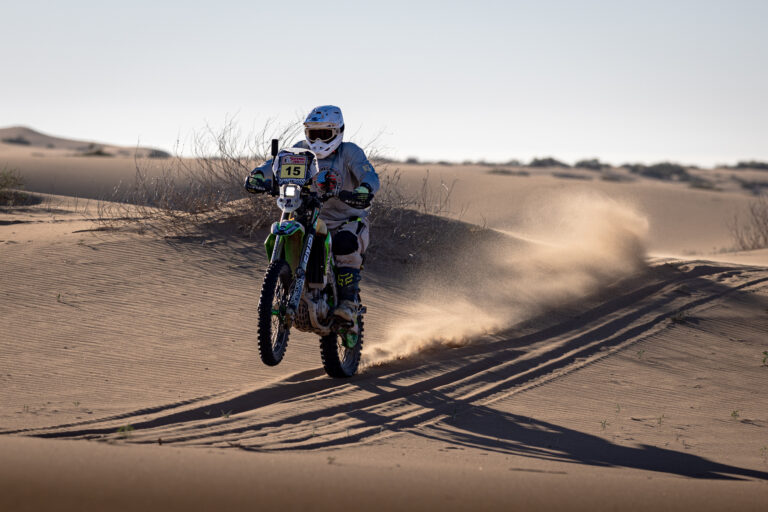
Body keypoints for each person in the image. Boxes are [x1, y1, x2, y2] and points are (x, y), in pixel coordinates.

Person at [244, 105, 380, 323]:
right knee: (284, 232)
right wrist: (258, 175)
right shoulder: (300, 150)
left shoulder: (349, 152)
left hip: (347, 221)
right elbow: (275, 164)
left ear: (338, 132)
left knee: (345, 243)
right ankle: (284, 284)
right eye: (312, 133)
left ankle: (348, 303)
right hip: (308, 216)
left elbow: (369, 174)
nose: (317, 140)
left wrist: (364, 190)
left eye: (324, 134)